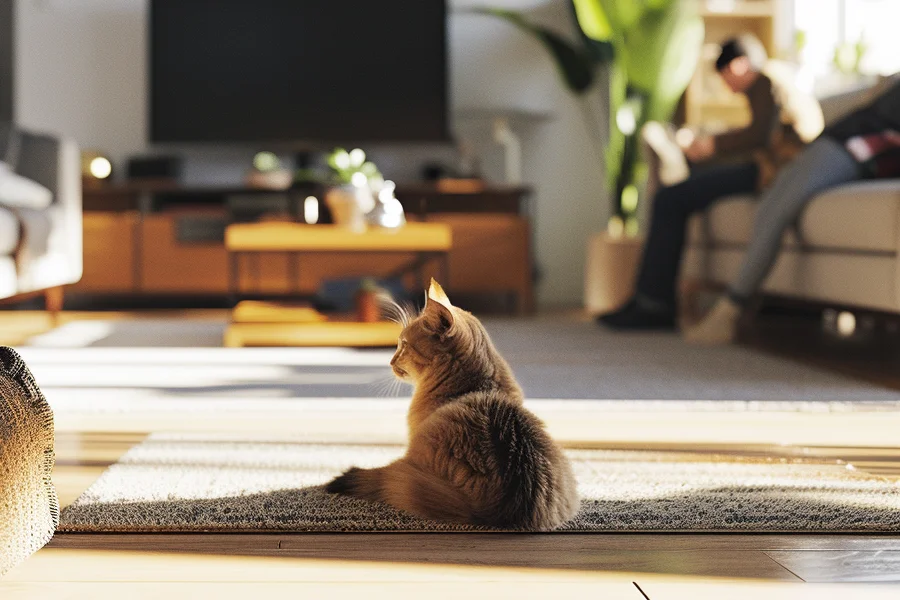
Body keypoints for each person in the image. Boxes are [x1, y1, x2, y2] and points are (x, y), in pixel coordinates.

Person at [598, 35, 823, 330]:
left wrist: (712, 145)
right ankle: (645, 298)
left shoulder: (766, 79)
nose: (726, 87)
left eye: (724, 77)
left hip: (775, 172)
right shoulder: (778, 80)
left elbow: (759, 137)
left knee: (670, 198)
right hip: (773, 168)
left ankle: (654, 304)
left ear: (740, 65)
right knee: (678, 191)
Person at [685, 76, 900, 344]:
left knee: (776, 209)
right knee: (769, 208)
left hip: (852, 153)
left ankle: (731, 308)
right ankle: (742, 307)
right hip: (839, 144)